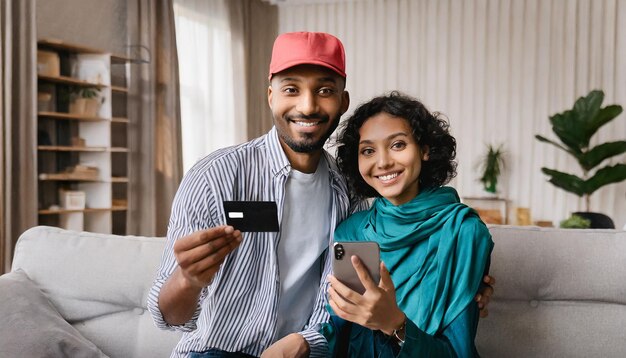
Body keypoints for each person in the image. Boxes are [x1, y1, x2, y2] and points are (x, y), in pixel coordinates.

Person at [147, 32, 494, 358]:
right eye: (291, 89)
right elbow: (168, 317)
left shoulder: (352, 194)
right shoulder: (215, 177)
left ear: (342, 101)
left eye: (324, 90)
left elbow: (349, 301)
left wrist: (465, 280)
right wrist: (188, 281)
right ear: (271, 95)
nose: (308, 106)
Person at [321, 91, 494, 357]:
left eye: (398, 145)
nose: (383, 162)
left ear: (424, 149)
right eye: (368, 150)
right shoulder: (351, 231)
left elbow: (457, 352)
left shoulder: (464, 232)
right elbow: (338, 332)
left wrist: (395, 323)